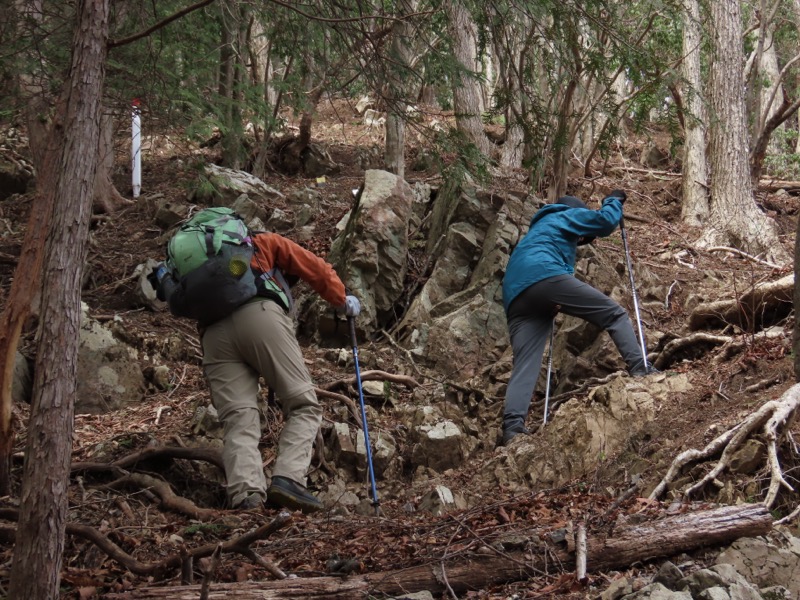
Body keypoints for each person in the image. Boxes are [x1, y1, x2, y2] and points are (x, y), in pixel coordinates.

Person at [153, 231, 361, 513]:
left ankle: (246, 496)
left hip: (214, 335)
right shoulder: (261, 242)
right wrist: (341, 300)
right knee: (303, 404)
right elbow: (315, 267)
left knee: (239, 418)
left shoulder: (198, 264)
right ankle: (288, 479)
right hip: (260, 318)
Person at [500, 190, 654, 446]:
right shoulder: (565, 214)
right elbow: (605, 222)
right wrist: (613, 201)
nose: (581, 238)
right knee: (614, 314)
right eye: (581, 235)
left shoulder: (536, 231)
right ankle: (640, 368)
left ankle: (512, 428)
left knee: (526, 361)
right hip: (544, 274)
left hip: (516, 296)